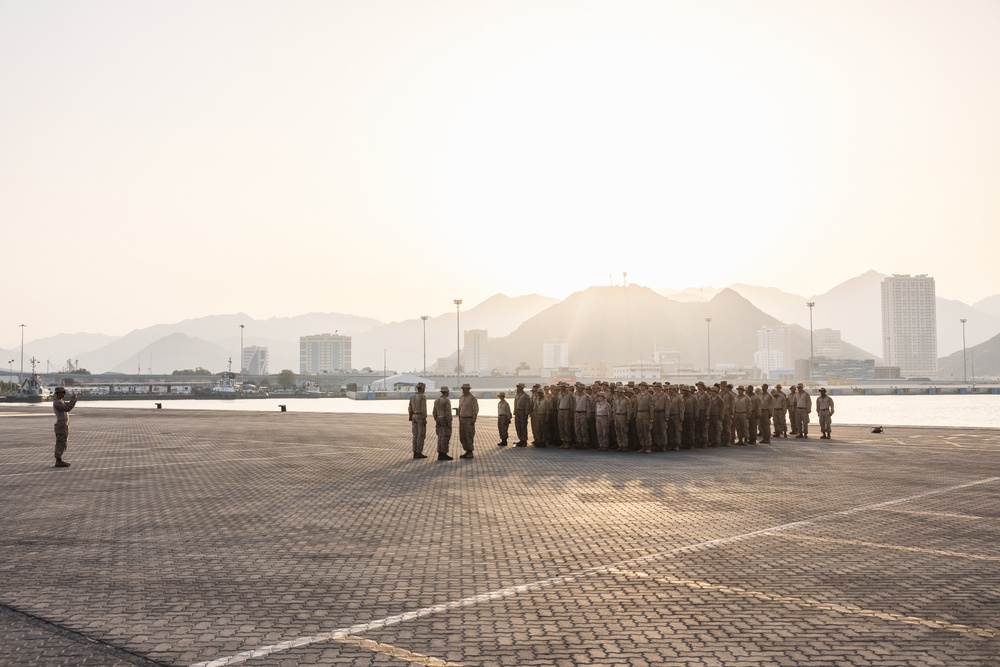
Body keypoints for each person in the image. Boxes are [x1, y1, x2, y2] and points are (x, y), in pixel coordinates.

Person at [52, 386, 78, 467]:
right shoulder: (57, 402)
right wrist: (73, 400)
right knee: (60, 442)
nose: (64, 394)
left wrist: (72, 400)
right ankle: (58, 460)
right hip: (61, 425)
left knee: (63, 442)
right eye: (63, 392)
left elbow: (67, 405)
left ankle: (59, 459)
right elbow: (67, 408)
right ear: (58, 393)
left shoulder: (61, 401)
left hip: (64, 425)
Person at [408, 382, 428, 459]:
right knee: (421, 435)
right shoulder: (422, 397)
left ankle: (414, 451)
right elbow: (423, 408)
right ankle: (419, 452)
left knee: (415, 435)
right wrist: (424, 418)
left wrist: (410, 417)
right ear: (422, 388)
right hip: (420, 416)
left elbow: (410, 408)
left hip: (414, 416)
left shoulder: (412, 396)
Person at [458, 383, 479, 459]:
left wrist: (474, 419)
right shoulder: (461, 397)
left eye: (465, 389)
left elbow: (475, 409)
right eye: (463, 389)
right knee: (462, 436)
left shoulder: (472, 398)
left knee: (469, 435)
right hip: (462, 419)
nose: (463, 390)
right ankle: (466, 450)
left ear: (468, 389)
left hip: (469, 419)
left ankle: (470, 452)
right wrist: (459, 417)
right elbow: (459, 408)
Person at [433, 386, 454, 461]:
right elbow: (448, 412)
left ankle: (440, 453)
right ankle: (444, 453)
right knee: (445, 437)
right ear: (446, 392)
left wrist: (436, 419)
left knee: (440, 436)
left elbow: (434, 412)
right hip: (444, 419)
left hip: (438, 418)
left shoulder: (437, 400)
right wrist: (449, 423)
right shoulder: (446, 400)